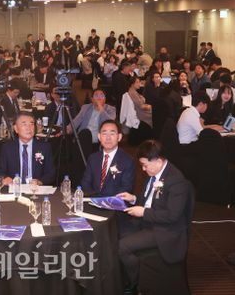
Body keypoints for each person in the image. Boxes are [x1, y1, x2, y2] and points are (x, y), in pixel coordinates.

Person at [116, 140, 192, 292]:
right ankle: (128, 276)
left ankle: (135, 283)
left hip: (165, 230)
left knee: (122, 246)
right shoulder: (155, 173)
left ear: (158, 161)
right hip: (149, 221)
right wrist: (134, 198)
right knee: (116, 232)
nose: (143, 169)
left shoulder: (176, 181)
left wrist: (143, 212)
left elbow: (172, 216)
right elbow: (148, 199)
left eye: (145, 165)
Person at [0, 113, 55, 185]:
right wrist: (6, 178)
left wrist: (39, 182)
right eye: (24, 124)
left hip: (35, 188)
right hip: (15, 188)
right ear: (16, 128)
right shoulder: (7, 148)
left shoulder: (44, 147)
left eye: (31, 124)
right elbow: (1, 172)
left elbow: (51, 173)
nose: (29, 128)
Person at [81, 120, 135, 196]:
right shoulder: (93, 158)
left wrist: (105, 200)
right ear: (99, 137)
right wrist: (95, 200)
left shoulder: (127, 161)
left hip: (114, 202)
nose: (108, 138)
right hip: (93, 201)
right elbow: (85, 183)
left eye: (112, 134)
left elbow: (126, 188)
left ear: (119, 137)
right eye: (104, 134)